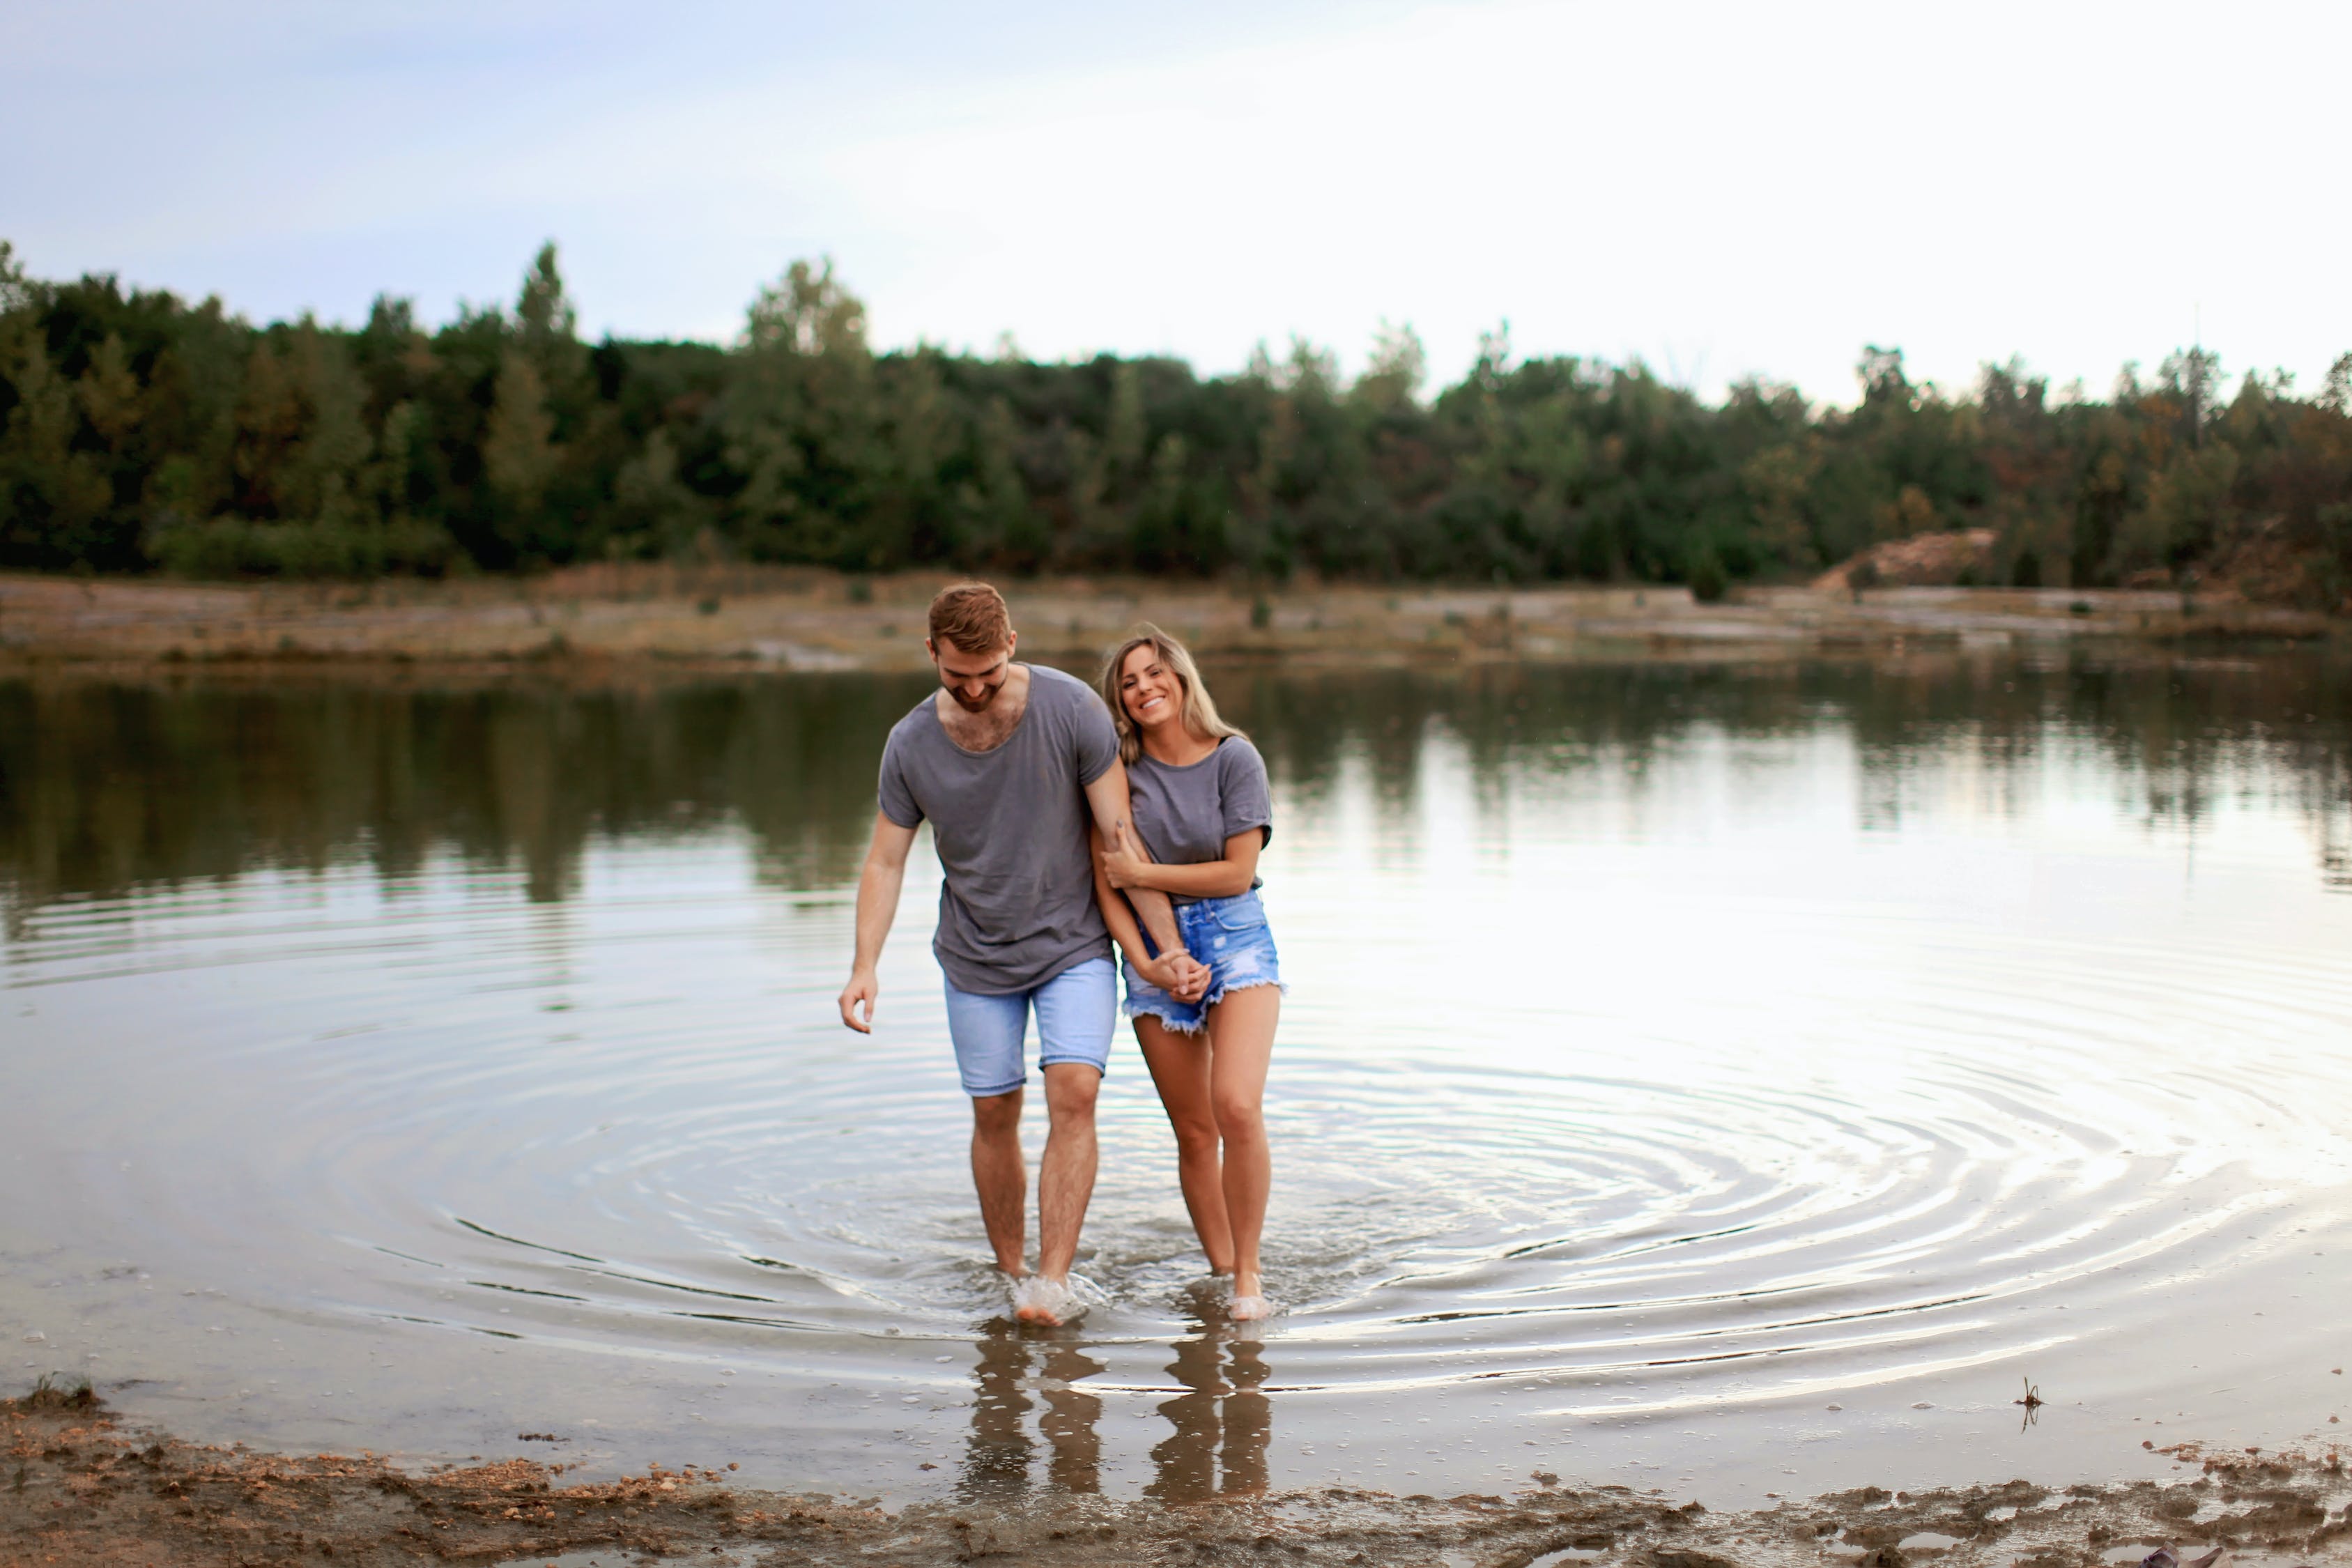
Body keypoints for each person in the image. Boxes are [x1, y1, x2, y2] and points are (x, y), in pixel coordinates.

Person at [838, 584, 1207, 1327]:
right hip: (973, 956)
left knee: (1075, 1092)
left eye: (987, 673)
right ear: (931, 653)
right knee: (994, 1111)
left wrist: (1163, 952)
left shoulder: (1072, 711)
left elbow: (1120, 840)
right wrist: (863, 965)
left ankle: (1051, 1283)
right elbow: (885, 862)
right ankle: (1011, 1276)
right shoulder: (910, 744)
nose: (973, 689)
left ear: (1011, 644)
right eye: (955, 676)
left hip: (1072, 941)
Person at [1091, 626, 1283, 1320]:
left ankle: (1249, 1279)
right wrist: (1146, 961)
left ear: (1180, 676)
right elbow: (1105, 882)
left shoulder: (1236, 759)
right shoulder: (1117, 772)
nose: (1144, 690)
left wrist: (1147, 871)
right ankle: (1224, 1266)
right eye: (1129, 684)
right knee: (1196, 1131)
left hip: (1236, 938)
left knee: (1236, 1105)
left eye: (1153, 674)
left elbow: (1239, 872)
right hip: (1151, 954)